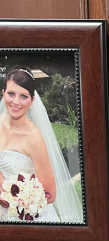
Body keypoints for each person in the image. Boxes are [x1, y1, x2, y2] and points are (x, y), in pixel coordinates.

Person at [0, 67, 83, 223]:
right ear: (3, 93)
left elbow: (50, 193)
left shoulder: (33, 138)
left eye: (23, 96)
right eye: (11, 94)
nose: (16, 101)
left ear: (32, 100)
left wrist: (18, 199)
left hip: (26, 217)